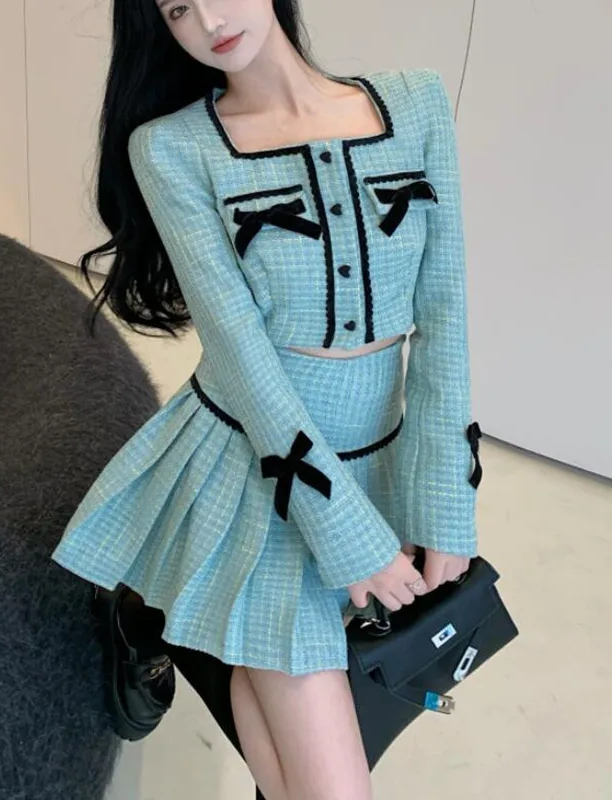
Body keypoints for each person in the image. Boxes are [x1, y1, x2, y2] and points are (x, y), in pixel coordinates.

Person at [52, 1, 483, 797]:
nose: (209, 18)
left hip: (378, 458)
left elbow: (445, 314)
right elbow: (241, 356)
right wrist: (347, 537)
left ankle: (157, 620)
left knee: (308, 756)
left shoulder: (417, 102)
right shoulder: (173, 147)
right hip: (261, 468)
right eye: (178, 8)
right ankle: (151, 619)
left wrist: (445, 500)